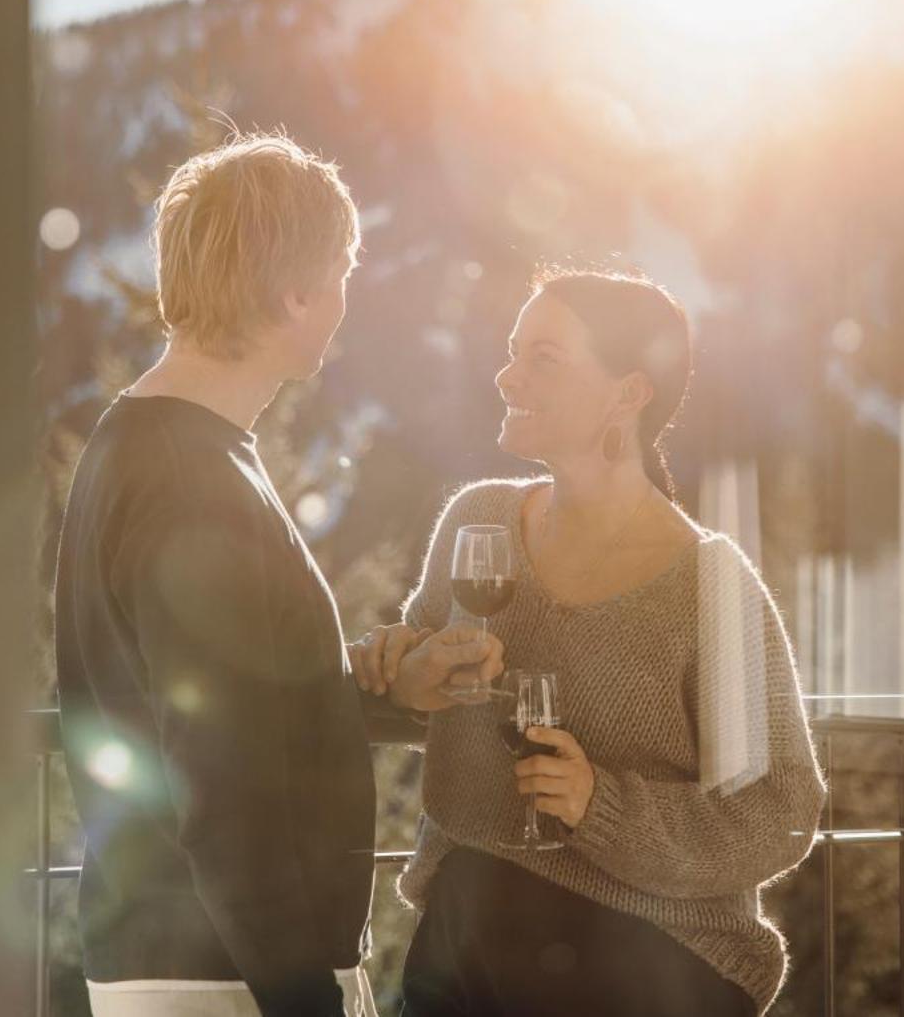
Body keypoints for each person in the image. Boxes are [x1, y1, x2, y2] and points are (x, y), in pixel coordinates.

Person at [55, 133, 501, 1017]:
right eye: (340, 275)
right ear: (295, 291)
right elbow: (223, 786)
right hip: (228, 974)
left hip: (187, 957)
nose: (343, 305)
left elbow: (216, 706)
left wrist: (378, 694)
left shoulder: (143, 445)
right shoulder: (194, 484)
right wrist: (306, 997)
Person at [351, 269, 826, 1016]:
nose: (507, 375)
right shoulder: (478, 525)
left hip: (644, 966)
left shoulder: (709, 585)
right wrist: (405, 678)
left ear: (629, 392)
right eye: (512, 351)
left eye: (544, 357)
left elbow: (784, 807)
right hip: (462, 943)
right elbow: (436, 703)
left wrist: (600, 804)